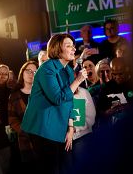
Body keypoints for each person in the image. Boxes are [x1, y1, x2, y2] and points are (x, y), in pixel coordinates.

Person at [21, 33, 88, 174]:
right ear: (57, 49)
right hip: (42, 128)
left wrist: (71, 127)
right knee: (51, 169)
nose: (74, 49)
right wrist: (78, 81)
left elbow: (69, 101)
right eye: (68, 45)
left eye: (73, 46)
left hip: (59, 126)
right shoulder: (46, 69)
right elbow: (57, 98)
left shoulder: (68, 70)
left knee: (63, 168)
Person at [8, 60, 39, 173]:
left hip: (44, 138)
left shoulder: (42, 92)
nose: (32, 74)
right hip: (26, 140)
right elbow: (12, 119)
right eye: (29, 71)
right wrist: (25, 130)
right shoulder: (14, 96)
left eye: (35, 72)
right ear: (22, 73)